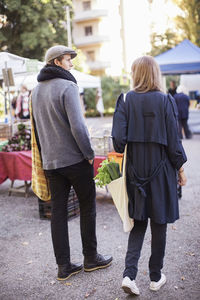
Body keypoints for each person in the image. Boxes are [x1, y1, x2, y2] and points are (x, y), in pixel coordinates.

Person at [31, 45, 112, 280]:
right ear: (57, 62)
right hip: (75, 161)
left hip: (51, 163)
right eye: (68, 60)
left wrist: (45, 159)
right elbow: (78, 127)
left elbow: (36, 130)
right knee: (88, 207)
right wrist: (89, 154)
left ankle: (63, 267)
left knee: (57, 212)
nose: (72, 64)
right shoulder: (68, 86)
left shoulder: (35, 92)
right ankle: (91, 258)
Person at [112, 56, 187, 296]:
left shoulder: (125, 99)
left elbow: (118, 142)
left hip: (135, 171)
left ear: (135, 74)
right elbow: (174, 143)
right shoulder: (166, 100)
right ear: (156, 74)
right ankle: (155, 277)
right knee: (159, 223)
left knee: (138, 223)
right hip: (162, 170)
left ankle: (129, 274)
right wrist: (181, 170)